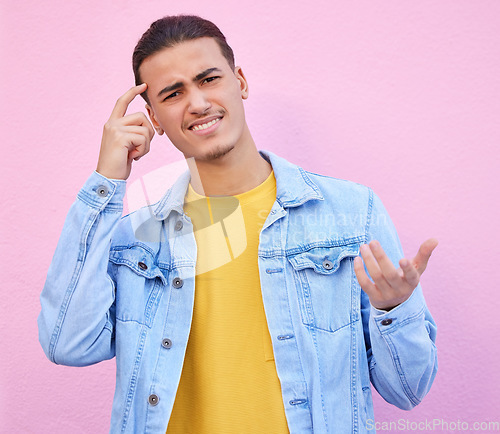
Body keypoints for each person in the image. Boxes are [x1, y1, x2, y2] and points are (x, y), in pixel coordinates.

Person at [38, 15, 438, 434]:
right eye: (173, 94)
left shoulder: (349, 213)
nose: (196, 103)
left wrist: (394, 309)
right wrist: (105, 182)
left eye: (208, 79)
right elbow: (68, 343)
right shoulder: (137, 239)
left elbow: (408, 391)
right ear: (153, 118)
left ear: (240, 81)